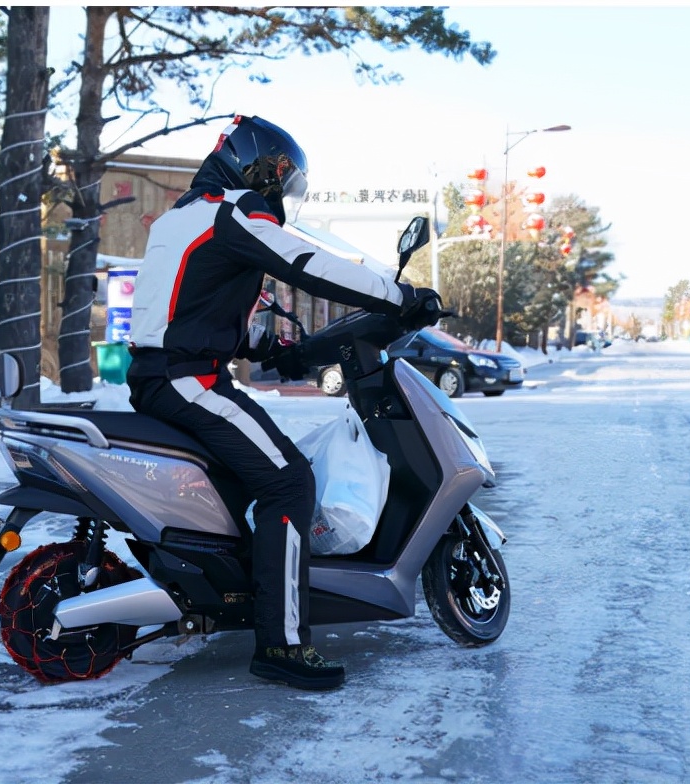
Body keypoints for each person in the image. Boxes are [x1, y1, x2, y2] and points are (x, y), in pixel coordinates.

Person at [125, 115, 437, 690]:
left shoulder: (184, 217)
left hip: (165, 374)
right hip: (189, 380)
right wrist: (401, 297)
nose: (281, 193)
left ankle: (233, 594)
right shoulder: (233, 210)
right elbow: (306, 263)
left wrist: (274, 348)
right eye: (282, 179)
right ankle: (283, 644)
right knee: (290, 482)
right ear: (260, 165)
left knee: (251, 479)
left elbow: (185, 308)